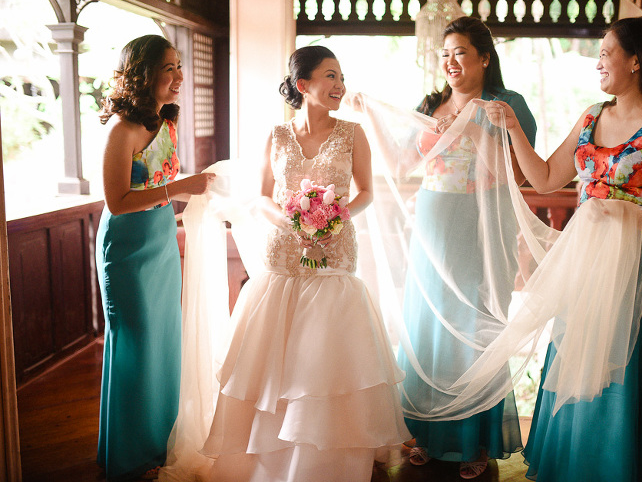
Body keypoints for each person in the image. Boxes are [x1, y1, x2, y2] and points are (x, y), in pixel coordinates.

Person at [167, 45, 409, 482]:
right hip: (284, 252)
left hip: (335, 251)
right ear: (304, 85)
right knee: (275, 354)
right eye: (331, 76)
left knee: (324, 355)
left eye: (341, 76)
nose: (340, 85)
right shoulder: (276, 136)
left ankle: (325, 462)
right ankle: (268, 463)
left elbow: (368, 192)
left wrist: (336, 218)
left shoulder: (353, 133)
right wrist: (291, 221)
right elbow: (260, 196)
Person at [485, 15, 642, 481]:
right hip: (583, 262)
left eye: (605, 53)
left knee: (618, 369)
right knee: (573, 360)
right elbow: (542, 178)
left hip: (637, 264)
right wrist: (513, 127)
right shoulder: (591, 115)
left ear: (636, 60)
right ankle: (565, 466)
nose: (597, 62)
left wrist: (619, 214)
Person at [399, 16, 537, 479]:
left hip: (482, 227)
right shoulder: (430, 103)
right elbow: (405, 160)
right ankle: (427, 433)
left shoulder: (506, 104)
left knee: (477, 327)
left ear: (484, 57)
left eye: (460, 52)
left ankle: (475, 442)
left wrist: (473, 128)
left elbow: (519, 175)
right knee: (428, 327)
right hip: (434, 223)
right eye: (445, 54)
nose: (451, 62)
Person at [96, 34, 216, 481]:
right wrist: (183, 187)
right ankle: (126, 457)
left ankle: (156, 444)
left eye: (180, 66)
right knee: (135, 344)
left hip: (163, 240)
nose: (179, 76)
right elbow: (118, 201)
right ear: (143, 74)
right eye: (170, 67)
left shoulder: (166, 124)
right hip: (126, 247)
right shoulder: (121, 130)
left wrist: (201, 186)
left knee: (164, 342)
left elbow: (164, 183)